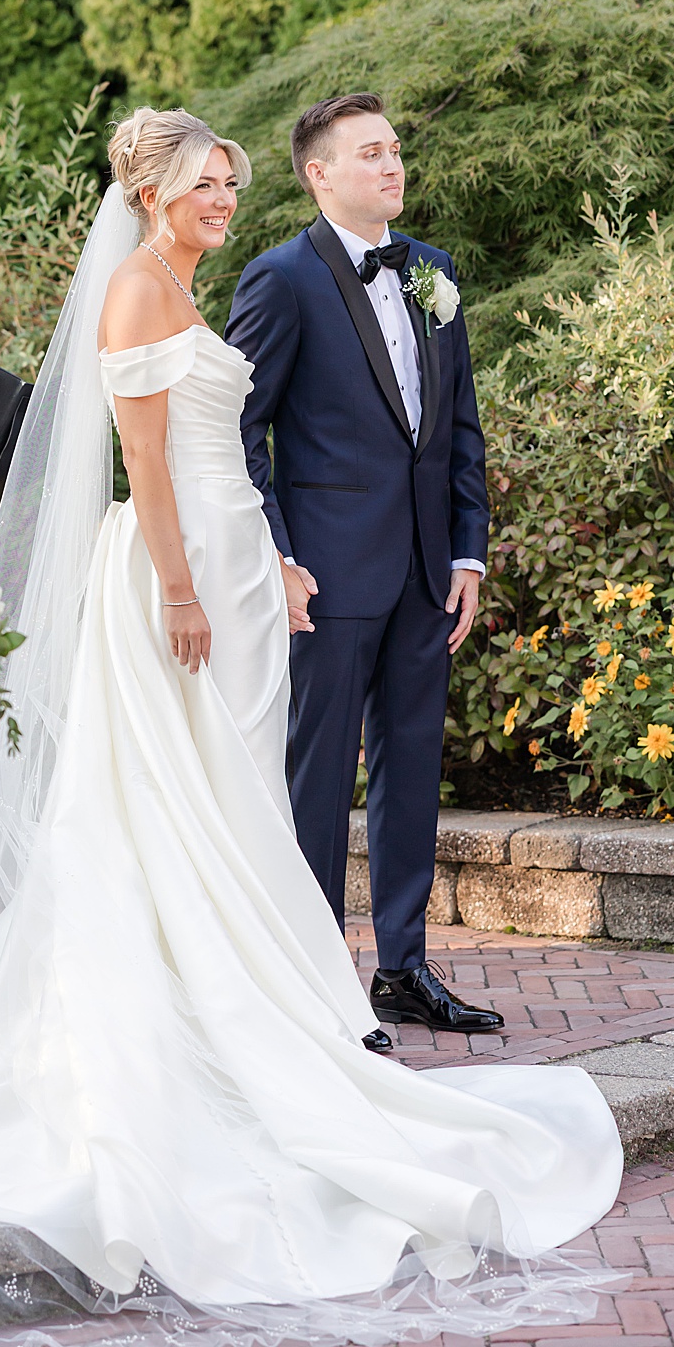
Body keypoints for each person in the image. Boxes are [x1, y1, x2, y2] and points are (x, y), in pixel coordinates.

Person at [0, 113, 620, 1340]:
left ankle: (259, 1005)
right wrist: (183, 587)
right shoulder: (138, 294)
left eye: (229, 185)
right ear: (152, 191)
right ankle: (205, 1030)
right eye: (206, 185)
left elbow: (227, 454)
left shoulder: (184, 285)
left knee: (227, 801)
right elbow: (147, 461)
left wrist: (269, 557)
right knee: (177, 806)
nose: (223, 199)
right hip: (176, 581)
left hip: (236, 566)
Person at [226, 92, 500, 1035]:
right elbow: (237, 431)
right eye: (370, 153)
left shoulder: (433, 271)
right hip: (327, 579)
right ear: (319, 173)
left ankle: (405, 967)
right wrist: (280, 556)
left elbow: (458, 423)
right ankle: (316, 978)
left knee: (411, 768)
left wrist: (468, 547)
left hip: (429, 569)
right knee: (316, 777)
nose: (392, 166)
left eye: (394, 150)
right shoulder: (280, 279)